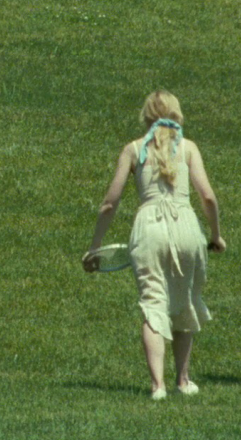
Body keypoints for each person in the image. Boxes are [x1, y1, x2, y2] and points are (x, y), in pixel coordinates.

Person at [85, 90, 225, 400]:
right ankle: (183, 381)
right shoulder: (188, 148)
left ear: (146, 116)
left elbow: (109, 203)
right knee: (185, 300)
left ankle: (157, 386)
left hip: (149, 228)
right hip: (186, 225)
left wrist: (95, 246)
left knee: (153, 303)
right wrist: (216, 235)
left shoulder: (134, 149)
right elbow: (208, 197)